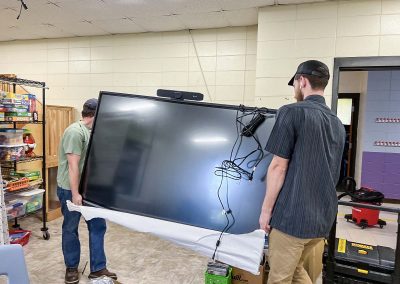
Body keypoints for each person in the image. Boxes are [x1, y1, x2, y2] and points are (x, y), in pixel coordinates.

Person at [259, 60, 346, 284]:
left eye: (295, 84)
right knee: (295, 268)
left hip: (293, 220)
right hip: (322, 221)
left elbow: (278, 166)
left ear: (302, 81)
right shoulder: (336, 123)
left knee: (279, 278)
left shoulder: (291, 112)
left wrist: (266, 212)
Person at [57, 98, 117, 284]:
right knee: (70, 227)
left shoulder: (91, 132)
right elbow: (73, 166)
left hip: (90, 189)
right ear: (95, 115)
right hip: (70, 189)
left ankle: (98, 268)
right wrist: (75, 194)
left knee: (98, 226)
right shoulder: (75, 132)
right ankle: (72, 267)